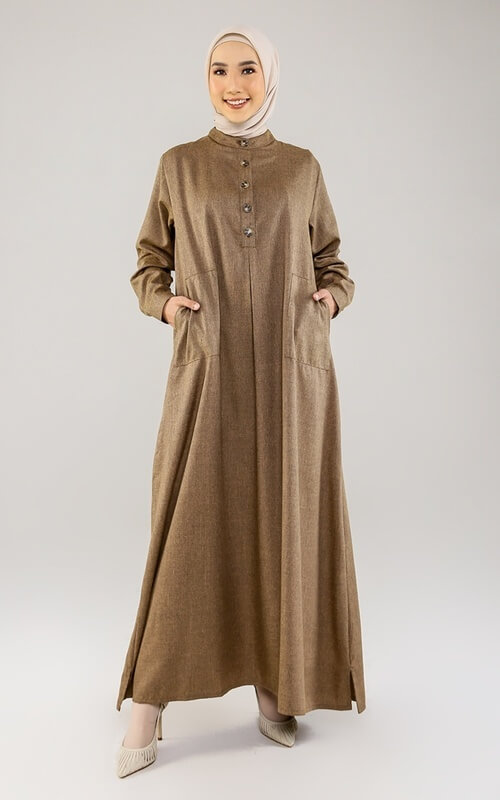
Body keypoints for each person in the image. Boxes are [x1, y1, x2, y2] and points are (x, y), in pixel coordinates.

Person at [115, 23, 366, 778]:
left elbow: (333, 260)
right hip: (210, 367)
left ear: (269, 76)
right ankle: (148, 700)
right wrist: (165, 305)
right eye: (220, 70)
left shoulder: (302, 167)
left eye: (248, 68)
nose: (234, 84)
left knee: (283, 519)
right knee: (191, 519)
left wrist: (330, 299)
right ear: (207, 79)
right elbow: (148, 262)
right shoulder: (179, 166)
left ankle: (275, 682)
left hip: (292, 374)